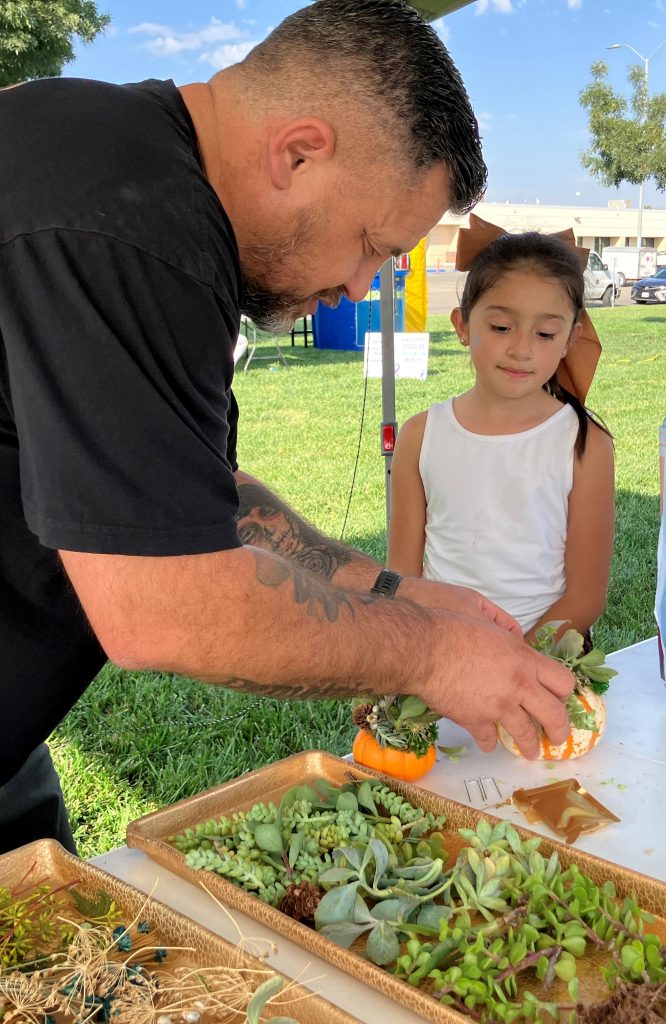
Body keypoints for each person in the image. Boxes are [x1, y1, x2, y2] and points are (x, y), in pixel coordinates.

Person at [0, 0, 575, 854]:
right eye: (373, 244)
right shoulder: (128, 225)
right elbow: (163, 608)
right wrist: (429, 655)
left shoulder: (124, 168)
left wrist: (400, 592)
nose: (357, 287)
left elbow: (191, 501)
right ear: (299, 152)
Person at [388, 216, 615, 644]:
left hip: (543, 663)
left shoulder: (584, 445)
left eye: (546, 333)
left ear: (571, 338)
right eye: (501, 327)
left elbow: (585, 596)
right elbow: (404, 575)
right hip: (441, 657)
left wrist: (512, 664)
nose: (522, 349)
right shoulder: (420, 437)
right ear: (461, 325)